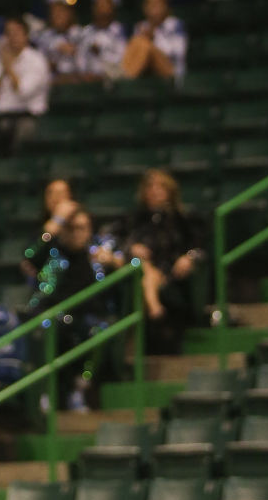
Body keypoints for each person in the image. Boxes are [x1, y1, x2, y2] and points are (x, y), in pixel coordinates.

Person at [25, 207, 123, 410]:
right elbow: (30, 257)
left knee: (99, 330)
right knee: (43, 331)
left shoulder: (97, 256)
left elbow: (125, 266)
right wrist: (54, 224)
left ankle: (80, 387)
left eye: (83, 228)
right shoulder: (53, 253)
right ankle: (45, 393)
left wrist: (113, 262)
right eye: (72, 228)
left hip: (88, 316)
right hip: (55, 315)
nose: (78, 233)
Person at [122, 168, 205, 349]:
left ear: (170, 191)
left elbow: (200, 246)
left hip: (172, 273)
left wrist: (189, 258)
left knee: (145, 274)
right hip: (141, 272)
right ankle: (154, 307)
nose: (155, 191)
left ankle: (150, 312)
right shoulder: (135, 220)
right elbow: (121, 244)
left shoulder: (182, 218)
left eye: (160, 187)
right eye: (150, 187)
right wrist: (133, 248)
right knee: (142, 267)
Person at [0, 16, 51, 142]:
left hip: (28, 117)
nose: (13, 37)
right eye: (9, 33)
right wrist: (3, 71)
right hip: (1, 118)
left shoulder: (36, 60)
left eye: (16, 32)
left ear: (26, 35)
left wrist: (9, 69)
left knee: (22, 130)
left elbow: (24, 92)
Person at [121, 0, 188, 81]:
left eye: (157, 3)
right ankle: (123, 76)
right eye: (149, 3)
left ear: (166, 6)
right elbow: (134, 57)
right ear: (144, 7)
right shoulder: (141, 26)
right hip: (148, 74)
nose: (153, 8)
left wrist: (153, 40)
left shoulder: (176, 24)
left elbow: (177, 55)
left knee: (145, 44)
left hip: (172, 75)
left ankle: (122, 81)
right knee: (138, 41)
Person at [76, 0, 128, 80]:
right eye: (98, 3)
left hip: (113, 82)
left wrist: (100, 53)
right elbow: (80, 59)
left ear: (113, 7)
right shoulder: (86, 31)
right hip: (87, 82)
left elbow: (123, 61)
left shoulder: (119, 30)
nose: (101, 6)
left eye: (106, 3)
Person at [32, 0, 84, 79]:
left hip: (78, 85)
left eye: (62, 10)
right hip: (52, 86)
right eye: (54, 10)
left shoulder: (82, 34)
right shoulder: (43, 37)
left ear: (71, 13)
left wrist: (75, 52)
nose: (58, 14)